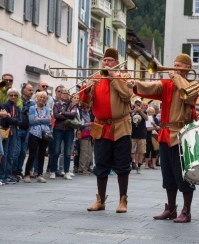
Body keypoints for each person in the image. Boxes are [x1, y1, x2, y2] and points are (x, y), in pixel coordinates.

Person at [127, 53, 197, 222]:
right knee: (168, 174)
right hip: (166, 134)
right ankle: (171, 209)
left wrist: (176, 78)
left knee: (183, 175)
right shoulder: (166, 84)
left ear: (187, 68)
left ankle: (186, 211)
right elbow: (150, 87)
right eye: (174, 65)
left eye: (178, 66)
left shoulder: (193, 83)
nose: (174, 68)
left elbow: (189, 95)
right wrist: (134, 83)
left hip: (182, 135)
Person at [79, 48, 133, 213]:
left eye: (110, 61)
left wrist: (112, 77)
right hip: (101, 127)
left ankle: (123, 200)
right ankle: (100, 200)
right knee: (101, 165)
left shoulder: (124, 77)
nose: (106, 63)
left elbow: (126, 95)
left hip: (121, 127)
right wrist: (88, 89)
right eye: (105, 60)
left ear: (116, 63)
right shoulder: (95, 78)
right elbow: (85, 104)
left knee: (123, 165)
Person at [24, 91, 52, 183]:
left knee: (42, 154)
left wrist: (39, 119)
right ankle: (27, 174)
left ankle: (40, 174)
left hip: (44, 133)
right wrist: (43, 120)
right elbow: (31, 121)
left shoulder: (47, 109)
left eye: (45, 98)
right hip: (34, 133)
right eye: (41, 97)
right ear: (37, 98)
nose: (43, 99)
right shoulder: (32, 108)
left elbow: (49, 121)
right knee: (32, 154)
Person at [50, 88, 77, 180]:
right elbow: (56, 115)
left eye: (67, 93)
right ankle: (53, 170)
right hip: (58, 129)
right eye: (63, 93)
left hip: (69, 130)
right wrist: (67, 114)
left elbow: (73, 115)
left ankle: (66, 171)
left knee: (68, 152)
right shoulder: (56, 105)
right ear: (60, 95)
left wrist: (63, 113)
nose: (65, 95)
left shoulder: (72, 105)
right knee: (56, 151)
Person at [0, 88, 22, 184]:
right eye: (11, 95)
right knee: (4, 154)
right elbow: (5, 120)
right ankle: (1, 175)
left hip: (14, 131)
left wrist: (9, 117)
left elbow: (19, 121)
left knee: (12, 154)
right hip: (5, 131)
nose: (13, 97)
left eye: (15, 95)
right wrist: (10, 118)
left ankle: (8, 174)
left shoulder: (17, 108)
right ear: (8, 96)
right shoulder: (4, 106)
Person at [13, 83, 34, 180]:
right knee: (16, 151)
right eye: (29, 90)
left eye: (32, 90)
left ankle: (18, 170)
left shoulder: (32, 102)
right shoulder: (19, 100)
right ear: (24, 90)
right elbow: (24, 110)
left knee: (23, 152)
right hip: (19, 129)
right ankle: (13, 170)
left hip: (27, 130)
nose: (31, 92)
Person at [130, 98, 148, 173]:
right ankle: (133, 163)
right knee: (131, 150)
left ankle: (139, 166)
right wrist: (134, 111)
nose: (137, 104)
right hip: (133, 134)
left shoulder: (144, 112)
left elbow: (146, 118)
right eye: (136, 103)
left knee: (141, 151)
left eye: (139, 103)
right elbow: (129, 118)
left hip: (142, 134)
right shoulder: (131, 111)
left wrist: (140, 111)